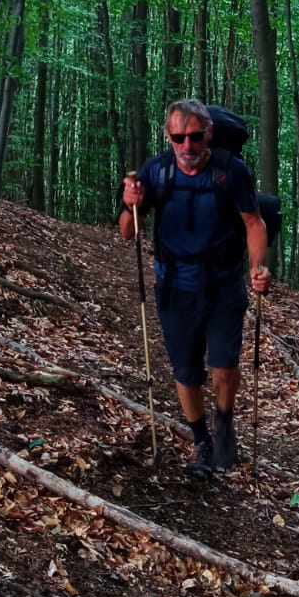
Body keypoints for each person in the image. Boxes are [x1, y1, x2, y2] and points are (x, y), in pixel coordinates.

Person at [119, 99, 271, 477]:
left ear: (209, 133)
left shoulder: (231, 171)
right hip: (175, 285)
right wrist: (129, 204)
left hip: (223, 284)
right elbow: (128, 232)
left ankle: (224, 422)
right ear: (168, 136)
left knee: (224, 366)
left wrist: (258, 267)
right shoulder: (156, 172)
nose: (186, 146)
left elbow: (254, 223)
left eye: (194, 136)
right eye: (178, 138)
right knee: (186, 371)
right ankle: (202, 441)